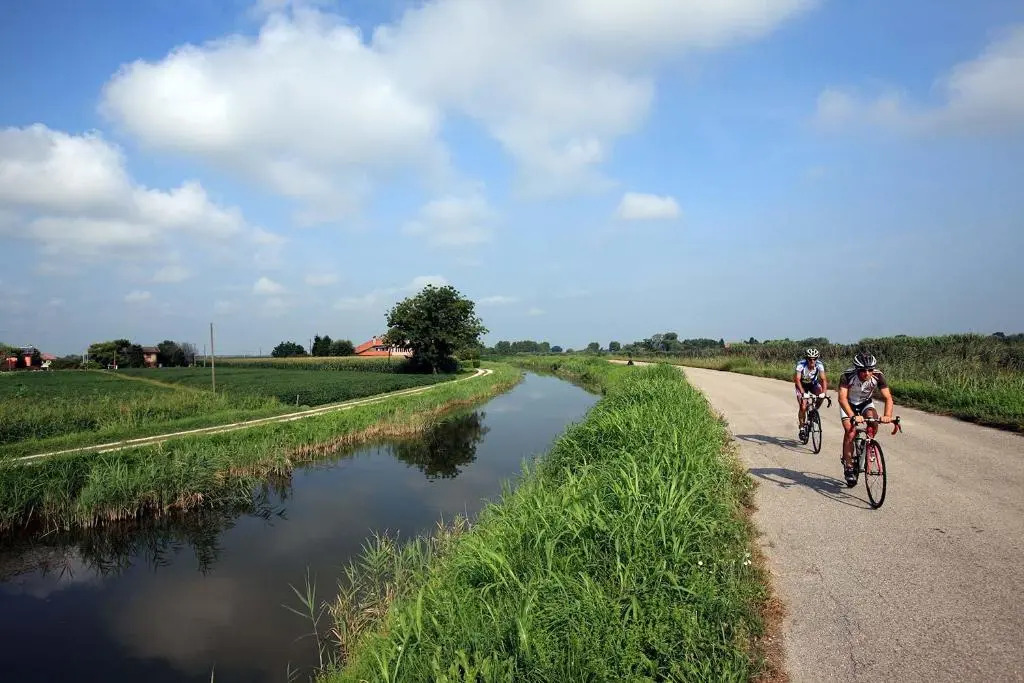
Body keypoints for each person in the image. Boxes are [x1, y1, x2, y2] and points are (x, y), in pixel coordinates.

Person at [838, 352, 894, 485]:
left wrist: (887, 415)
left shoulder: (878, 376)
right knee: (850, 432)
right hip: (848, 404)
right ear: (857, 369)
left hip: (865, 403)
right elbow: (842, 398)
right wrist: (852, 416)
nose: (867, 373)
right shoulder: (847, 376)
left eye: (870, 370)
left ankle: (869, 445)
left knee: (873, 421)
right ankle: (849, 466)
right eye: (863, 370)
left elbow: (888, 397)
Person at [794, 347, 827, 440]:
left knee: (821, 396)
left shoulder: (819, 365)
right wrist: (803, 393)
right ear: (806, 359)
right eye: (810, 359)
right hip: (801, 385)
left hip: (813, 384)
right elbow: (797, 379)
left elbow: (823, 379)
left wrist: (824, 393)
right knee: (803, 406)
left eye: (814, 359)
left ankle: (814, 412)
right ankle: (801, 427)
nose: (812, 361)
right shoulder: (801, 365)